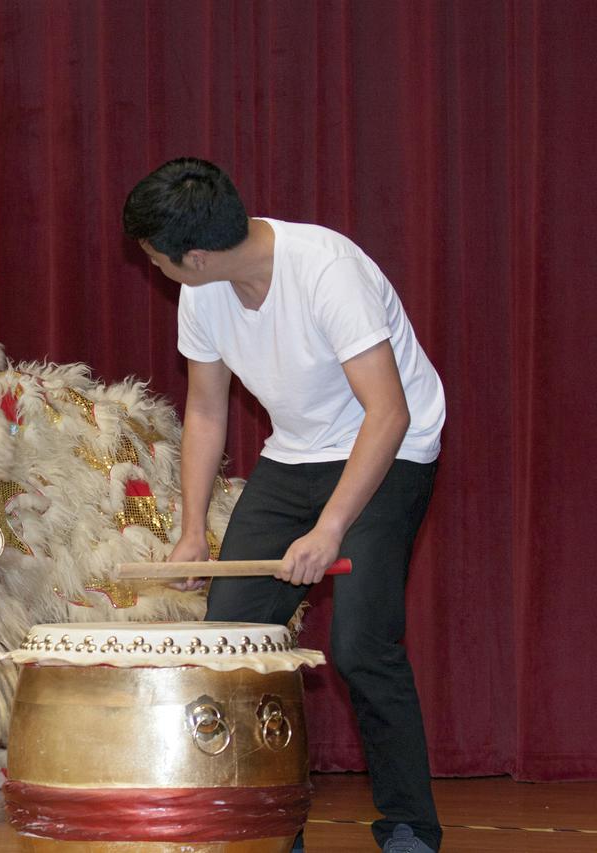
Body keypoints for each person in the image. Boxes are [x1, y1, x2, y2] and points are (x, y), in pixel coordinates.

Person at [123, 157, 445, 853]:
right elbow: (207, 413)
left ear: (197, 254)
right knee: (231, 641)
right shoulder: (204, 291)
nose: (153, 268)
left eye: (156, 258)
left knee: (361, 645)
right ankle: (267, 827)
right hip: (296, 453)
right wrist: (190, 533)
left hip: (391, 448)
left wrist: (331, 529)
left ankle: (410, 827)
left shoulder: (327, 270)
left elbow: (387, 413)